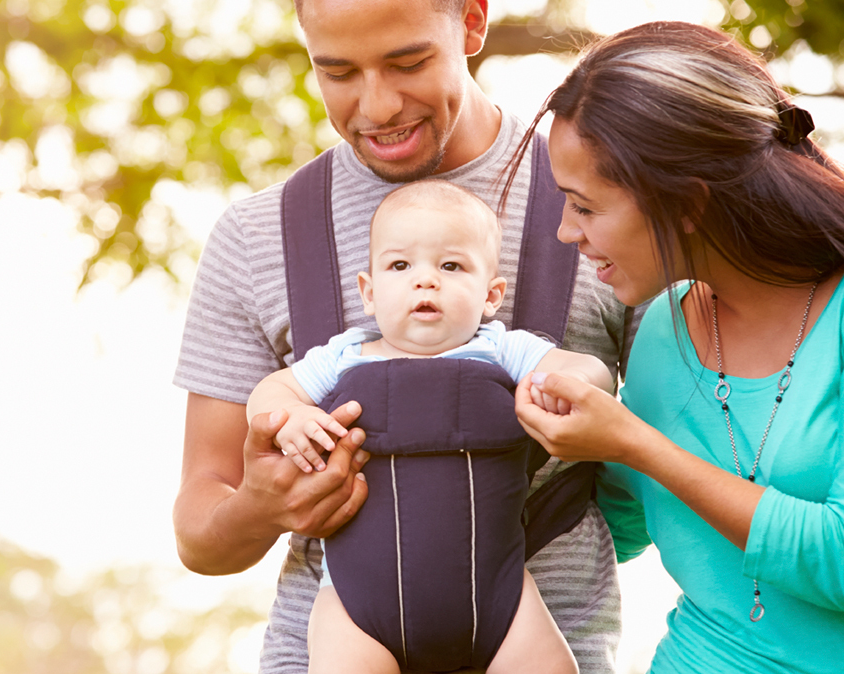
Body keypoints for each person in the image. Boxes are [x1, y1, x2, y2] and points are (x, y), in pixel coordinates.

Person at [171, 0, 640, 672]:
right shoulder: (256, 238)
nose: (378, 105)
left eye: (407, 60)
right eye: (339, 71)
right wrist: (263, 505)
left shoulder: (599, 201)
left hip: (548, 640)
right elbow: (198, 527)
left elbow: (675, 450)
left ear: (473, 25)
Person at [507, 20, 844, 673]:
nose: (566, 232)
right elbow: (612, 530)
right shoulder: (661, 332)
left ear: (686, 204)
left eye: (585, 206)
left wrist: (635, 443)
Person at [248, 180, 613, 674]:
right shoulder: (343, 356)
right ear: (369, 293)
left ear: (491, 295)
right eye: (401, 266)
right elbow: (270, 393)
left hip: (501, 602)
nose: (426, 281)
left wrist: (564, 384)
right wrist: (293, 416)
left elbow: (589, 370)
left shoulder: (503, 348)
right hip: (357, 608)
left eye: (451, 266)